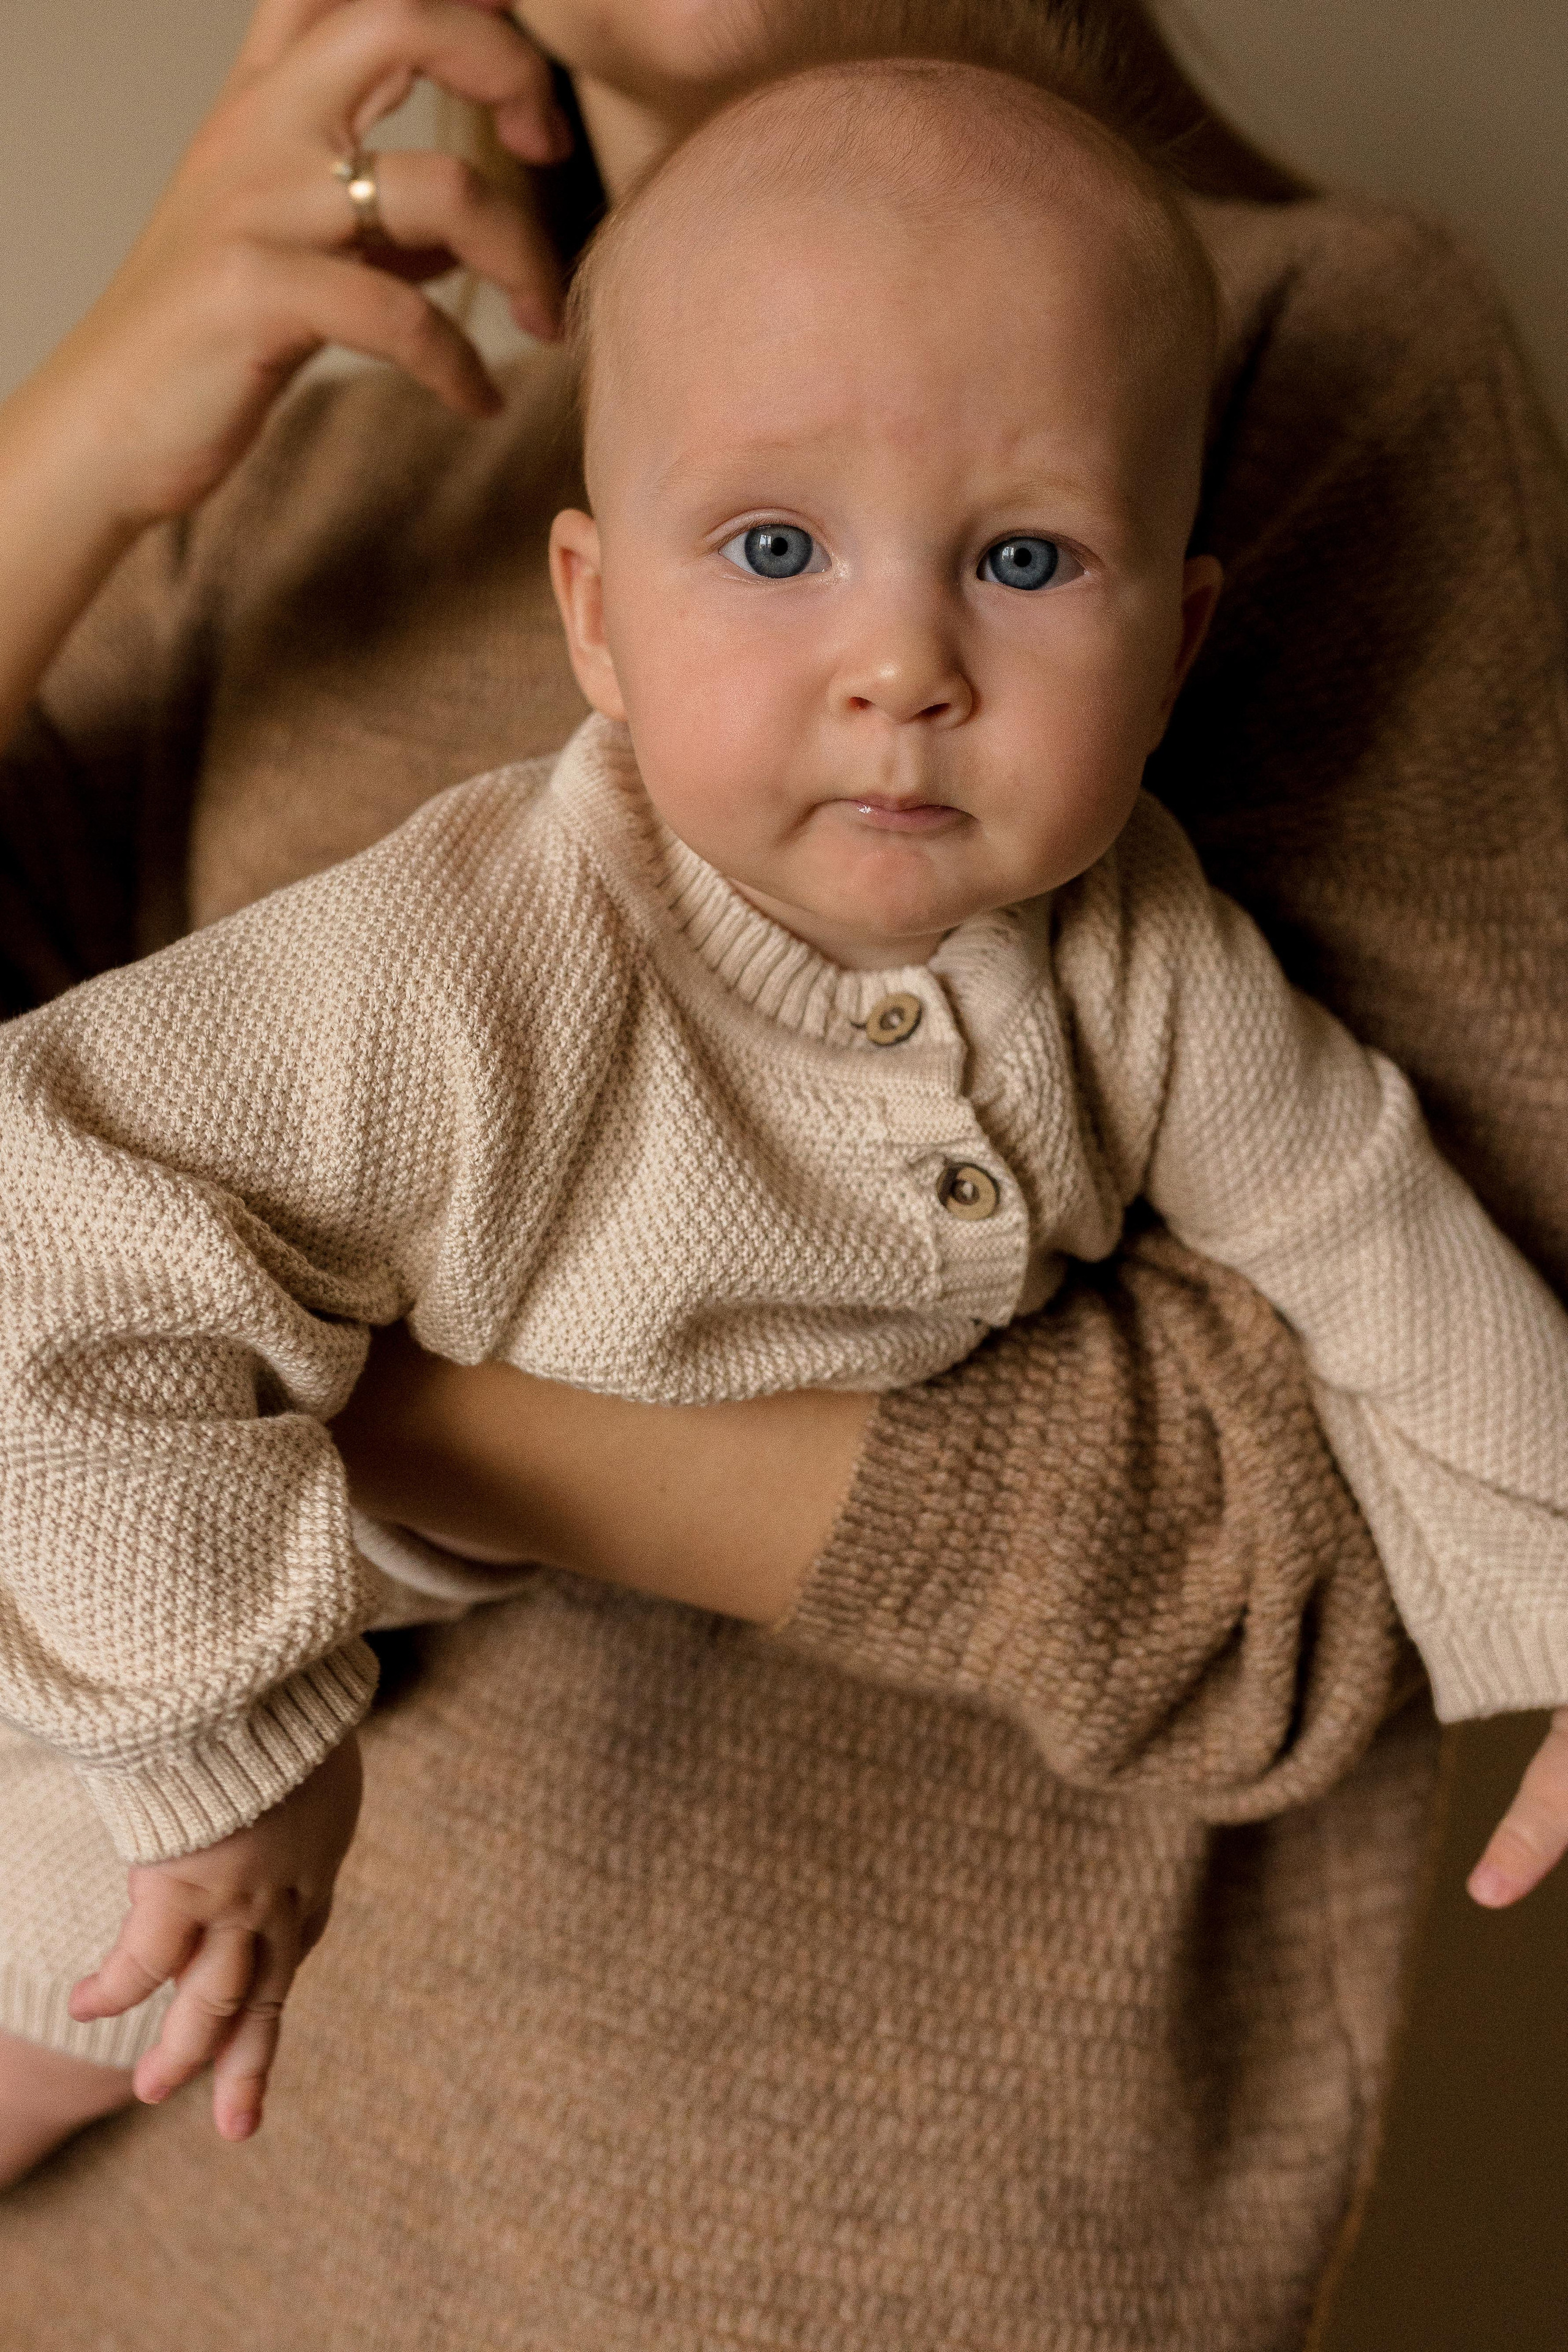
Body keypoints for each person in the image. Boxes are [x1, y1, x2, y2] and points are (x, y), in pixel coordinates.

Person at [0, 4, 1563, 2347]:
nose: (904, 660)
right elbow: (47, 1215)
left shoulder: (1159, 872)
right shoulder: (452, 946)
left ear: (1178, 635)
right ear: (594, 617)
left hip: (825, 2276)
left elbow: (1367, 1246)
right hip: (126, 1789)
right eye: (771, 546)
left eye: (1027, 558)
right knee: (81, 1941)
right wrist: (58, 474)